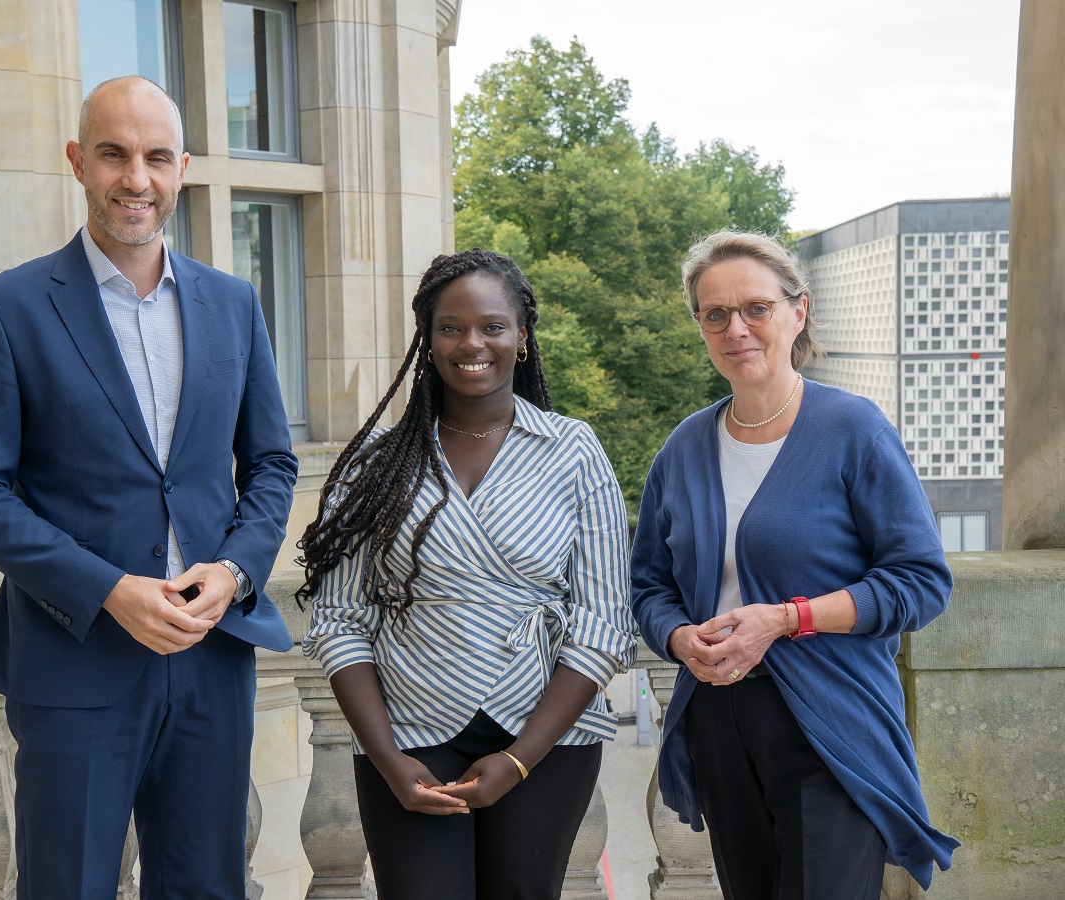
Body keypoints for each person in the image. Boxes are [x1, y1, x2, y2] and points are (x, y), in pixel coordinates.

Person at [0, 76, 298, 898]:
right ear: (77, 161)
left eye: (157, 158)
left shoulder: (235, 304)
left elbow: (272, 465)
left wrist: (237, 569)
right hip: (74, 663)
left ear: (181, 170)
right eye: (114, 154)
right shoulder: (5, 308)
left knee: (209, 886)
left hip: (211, 659)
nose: (136, 178)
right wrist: (107, 591)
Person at [631, 230, 960, 900]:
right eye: (715, 314)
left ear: (797, 312)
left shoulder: (853, 430)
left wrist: (784, 620)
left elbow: (922, 581)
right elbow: (649, 586)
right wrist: (676, 636)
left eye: (756, 307)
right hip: (719, 721)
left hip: (830, 720)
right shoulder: (684, 447)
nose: (737, 328)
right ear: (700, 325)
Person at [299, 249, 636, 900]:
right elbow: (340, 622)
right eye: (450, 328)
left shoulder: (574, 450)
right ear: (427, 340)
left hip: (545, 731)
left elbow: (601, 622)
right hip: (408, 734)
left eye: (492, 326)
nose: (471, 343)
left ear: (524, 337)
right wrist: (388, 758)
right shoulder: (378, 463)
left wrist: (518, 758)